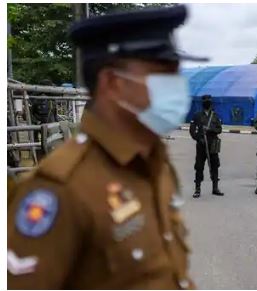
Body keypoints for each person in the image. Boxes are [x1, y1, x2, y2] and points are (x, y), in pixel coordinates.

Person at [7, 5, 206, 289]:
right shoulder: (60, 190)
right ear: (113, 83)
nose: (177, 86)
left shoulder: (155, 163)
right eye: (163, 74)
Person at [189, 95, 224, 198]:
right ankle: (197, 189)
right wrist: (198, 139)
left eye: (209, 101)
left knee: (215, 165)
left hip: (213, 144)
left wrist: (210, 130)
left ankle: (215, 188)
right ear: (202, 103)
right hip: (201, 145)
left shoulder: (215, 116)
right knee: (199, 166)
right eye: (205, 101)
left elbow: (219, 129)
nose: (207, 103)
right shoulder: (197, 115)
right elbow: (192, 130)